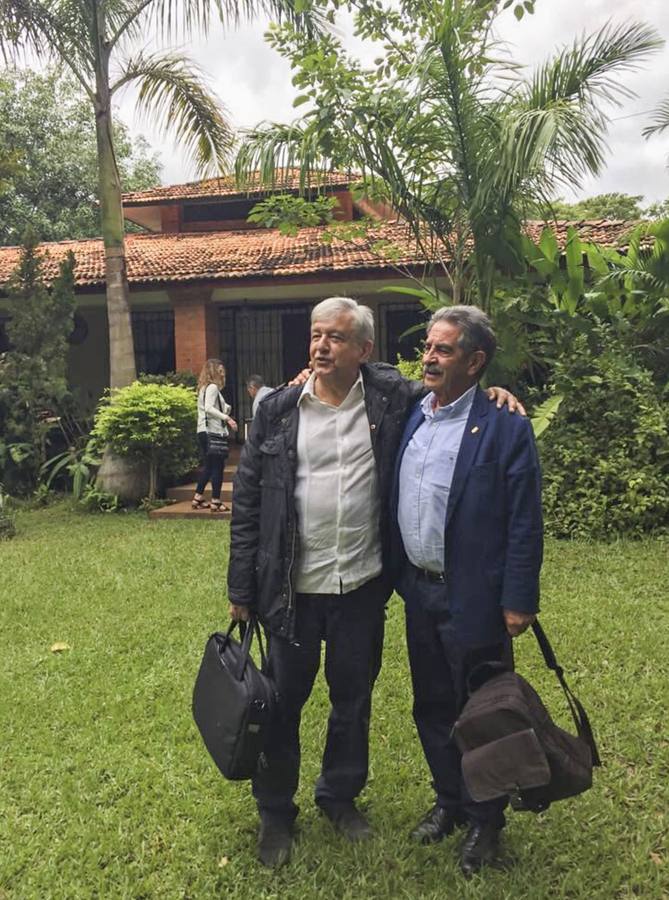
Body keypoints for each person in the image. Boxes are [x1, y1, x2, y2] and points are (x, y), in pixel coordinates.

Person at [227, 297, 520, 868]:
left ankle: (339, 796)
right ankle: (275, 812)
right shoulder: (278, 410)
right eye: (315, 335)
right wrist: (241, 589)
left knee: (352, 702)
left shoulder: (392, 400)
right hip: (291, 590)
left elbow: (455, 389)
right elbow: (246, 506)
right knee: (283, 704)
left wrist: (496, 392)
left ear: (363, 350)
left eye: (335, 338)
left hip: (362, 585)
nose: (319, 347)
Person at [390, 305, 543, 877]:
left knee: (481, 713)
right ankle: (450, 800)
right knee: (431, 705)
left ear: (475, 362)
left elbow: (525, 520)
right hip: (419, 592)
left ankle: (487, 821)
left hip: (477, 596)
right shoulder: (412, 412)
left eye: (444, 350)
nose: (429, 357)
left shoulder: (506, 426)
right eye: (428, 346)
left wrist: (519, 598)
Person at [193, 359, 238, 513]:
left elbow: (215, 408)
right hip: (212, 432)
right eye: (220, 370)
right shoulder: (212, 388)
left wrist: (225, 409)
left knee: (210, 466)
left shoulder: (205, 388)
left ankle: (198, 497)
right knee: (217, 467)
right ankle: (216, 502)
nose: (223, 373)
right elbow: (208, 408)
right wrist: (228, 418)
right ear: (213, 371)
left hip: (203, 431)